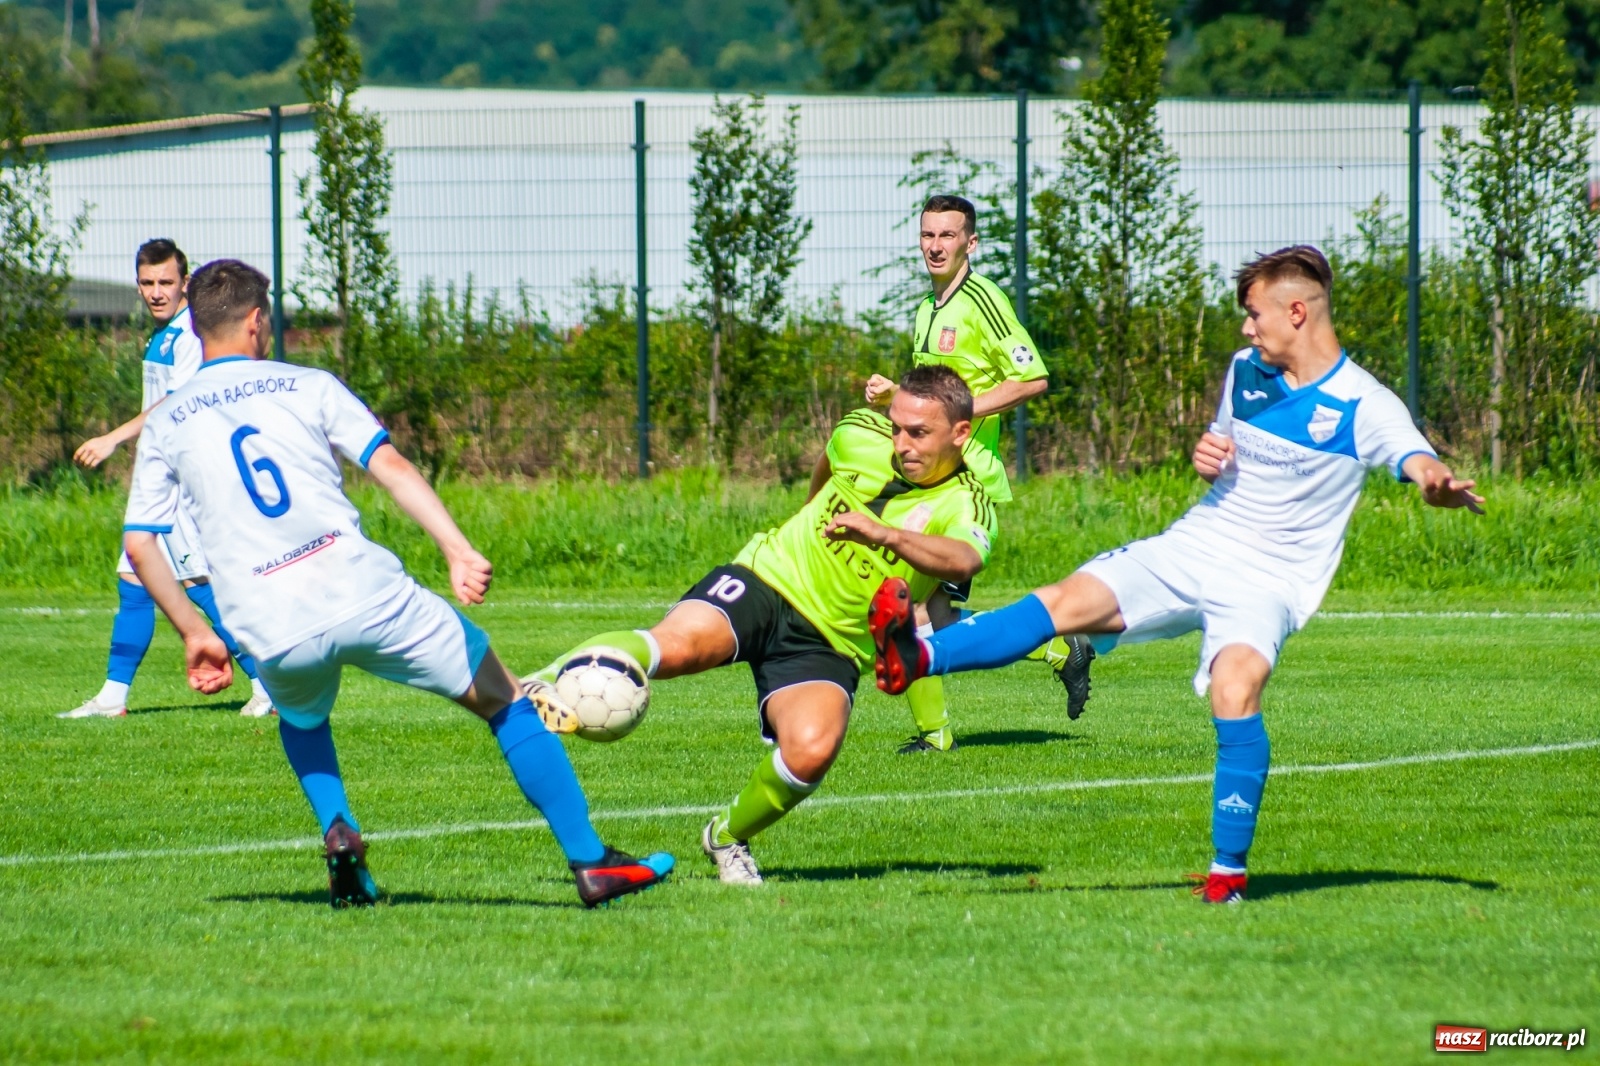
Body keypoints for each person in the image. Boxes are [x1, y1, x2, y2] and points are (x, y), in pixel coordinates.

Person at [869, 245, 1484, 904]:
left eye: (1254, 314)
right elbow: (1223, 451)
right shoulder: (1246, 369)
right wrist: (1209, 455)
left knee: (1234, 688)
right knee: (1065, 600)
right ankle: (917, 655)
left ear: (1297, 312)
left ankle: (1227, 875)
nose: (1246, 329)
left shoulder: (1365, 403)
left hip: (1270, 579)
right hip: (1198, 544)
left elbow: (1416, 457)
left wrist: (1436, 483)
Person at [121, 259, 673, 909]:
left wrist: (192, 632)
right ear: (256, 321)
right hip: (361, 590)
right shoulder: (310, 385)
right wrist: (457, 548)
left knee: (301, 716)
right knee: (501, 696)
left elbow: (141, 540)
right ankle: (590, 861)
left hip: (267, 620)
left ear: (194, 324)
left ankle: (338, 832)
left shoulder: (165, 420)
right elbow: (390, 464)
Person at [524, 366, 997, 885]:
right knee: (676, 648)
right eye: (897, 426)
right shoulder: (860, 433)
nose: (901, 442)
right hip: (767, 578)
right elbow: (828, 462)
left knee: (811, 752)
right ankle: (539, 684)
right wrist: (811, 513)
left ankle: (725, 838)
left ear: (960, 433)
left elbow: (963, 558)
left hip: (833, 642)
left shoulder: (969, 501)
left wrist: (882, 534)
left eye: (919, 433)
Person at [863, 194, 1090, 753]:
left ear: (971, 243)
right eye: (927, 236)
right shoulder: (927, 309)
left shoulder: (982, 299)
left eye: (948, 235)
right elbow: (935, 399)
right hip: (933, 478)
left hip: (967, 484)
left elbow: (1032, 378)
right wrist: (897, 398)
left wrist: (955, 413)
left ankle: (934, 736)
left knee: (906, 603)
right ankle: (1055, 647)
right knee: (934, 615)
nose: (936, 245)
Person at [61, 239, 273, 719]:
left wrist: (114, 438)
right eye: (147, 282)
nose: (156, 292)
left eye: (166, 282)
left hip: (183, 477)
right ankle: (113, 697)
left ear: (185, 283)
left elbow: (176, 402)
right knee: (133, 580)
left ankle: (268, 686)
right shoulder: (164, 335)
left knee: (198, 581)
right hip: (162, 473)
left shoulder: (191, 335)